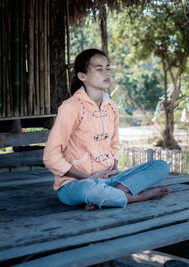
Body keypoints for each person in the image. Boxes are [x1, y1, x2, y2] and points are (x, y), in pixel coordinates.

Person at [43, 48, 170, 211]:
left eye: (108, 68)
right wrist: (88, 177)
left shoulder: (111, 107)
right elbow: (50, 156)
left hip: (110, 179)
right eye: (99, 69)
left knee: (161, 166)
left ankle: (109, 196)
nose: (106, 73)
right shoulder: (71, 108)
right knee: (90, 189)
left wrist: (115, 168)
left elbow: (114, 145)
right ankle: (137, 197)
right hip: (76, 184)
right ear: (83, 76)